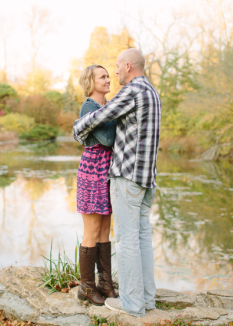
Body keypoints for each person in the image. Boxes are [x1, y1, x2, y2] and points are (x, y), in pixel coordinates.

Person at [73, 49, 161, 317]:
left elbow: (101, 120)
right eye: (104, 74)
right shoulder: (152, 91)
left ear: (127, 66)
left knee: (127, 240)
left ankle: (132, 304)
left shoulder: (131, 91)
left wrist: (78, 127)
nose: (114, 75)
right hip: (146, 177)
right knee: (142, 237)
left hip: (127, 175)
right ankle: (145, 299)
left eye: (115, 69)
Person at [76, 64, 119, 306]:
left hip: (106, 171)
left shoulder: (104, 107)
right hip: (92, 172)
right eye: (102, 77)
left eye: (107, 75)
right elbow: (107, 138)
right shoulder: (89, 107)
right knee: (92, 231)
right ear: (91, 83)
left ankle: (105, 283)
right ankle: (86, 287)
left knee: (104, 230)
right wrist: (117, 119)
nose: (107, 79)